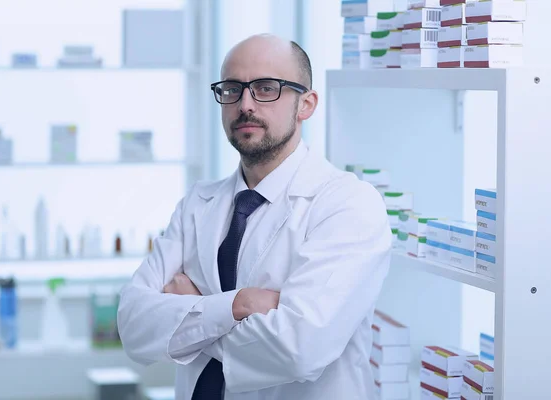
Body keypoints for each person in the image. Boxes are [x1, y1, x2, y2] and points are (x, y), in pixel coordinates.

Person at [117, 34, 391, 400]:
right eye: (232, 89)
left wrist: (189, 318)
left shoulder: (348, 205)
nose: (245, 104)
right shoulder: (197, 204)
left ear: (306, 104)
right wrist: (238, 305)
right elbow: (134, 325)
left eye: (266, 88)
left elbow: (298, 350)